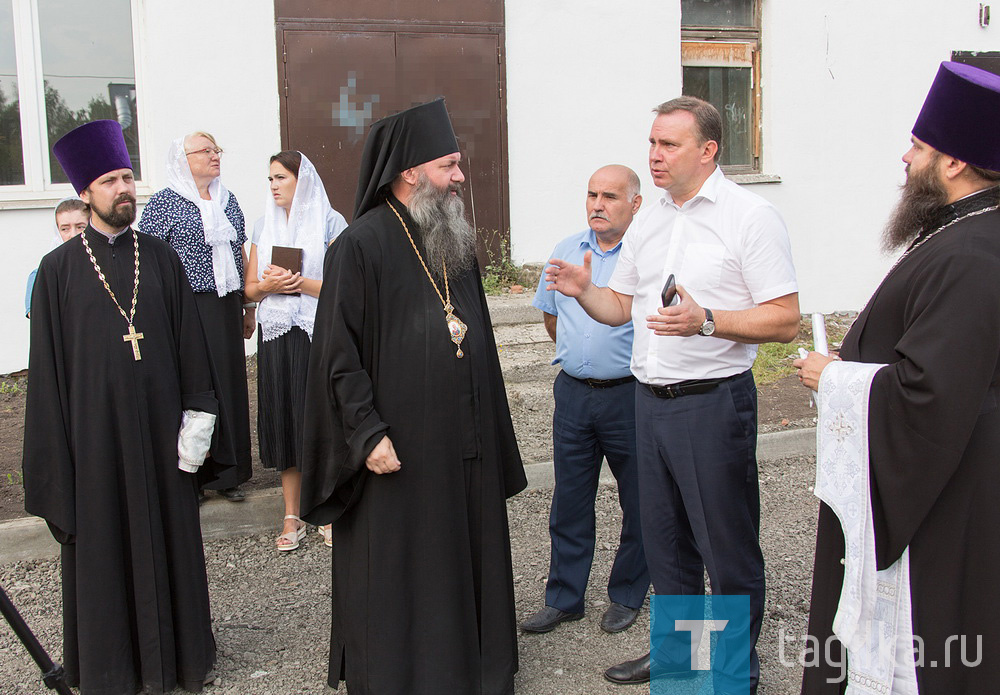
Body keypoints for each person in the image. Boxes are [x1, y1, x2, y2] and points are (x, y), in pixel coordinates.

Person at [546, 96, 799, 690]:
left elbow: (784, 318)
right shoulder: (652, 218)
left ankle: (735, 675)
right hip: (648, 403)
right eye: (652, 144)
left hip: (713, 403)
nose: (654, 157)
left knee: (725, 549)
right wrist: (585, 290)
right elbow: (618, 309)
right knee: (667, 547)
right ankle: (681, 664)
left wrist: (706, 319)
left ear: (708, 150)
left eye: (669, 145)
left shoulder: (750, 216)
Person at [299, 98, 527, 694]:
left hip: (461, 439)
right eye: (449, 165)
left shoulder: (452, 238)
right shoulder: (360, 246)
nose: (459, 176)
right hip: (397, 446)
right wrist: (367, 431)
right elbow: (336, 356)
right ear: (409, 172)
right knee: (402, 562)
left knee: (463, 550)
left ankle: (473, 669)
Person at [794, 61, 1000, 694]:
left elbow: (929, 393)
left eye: (918, 146)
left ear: (955, 162)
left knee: (934, 646)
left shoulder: (971, 253)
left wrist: (834, 378)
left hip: (946, 496)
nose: (905, 158)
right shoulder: (966, 234)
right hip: (959, 477)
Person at [22, 119, 226, 694]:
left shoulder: (159, 258)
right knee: (104, 548)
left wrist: (199, 416)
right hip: (96, 446)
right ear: (86, 193)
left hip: (162, 437)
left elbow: (192, 345)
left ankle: (183, 660)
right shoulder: (57, 273)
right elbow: (48, 379)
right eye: (110, 180)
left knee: (170, 538)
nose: (123, 189)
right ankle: (111, 667)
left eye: (127, 176)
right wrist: (58, 464)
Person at [522, 164, 649, 635]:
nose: (597, 204)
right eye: (592, 194)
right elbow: (551, 316)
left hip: (630, 397)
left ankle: (627, 593)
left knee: (641, 500)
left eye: (610, 196)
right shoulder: (566, 250)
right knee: (571, 499)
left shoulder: (647, 253)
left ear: (635, 204)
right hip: (574, 395)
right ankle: (564, 597)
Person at [139, 131, 253, 503]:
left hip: (224, 305)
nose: (214, 156)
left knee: (230, 384)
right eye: (205, 150)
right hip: (184, 309)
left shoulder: (227, 199)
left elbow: (240, 251)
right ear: (182, 159)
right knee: (196, 386)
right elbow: (149, 261)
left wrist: (247, 307)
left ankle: (230, 472)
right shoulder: (164, 203)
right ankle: (197, 470)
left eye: (216, 149)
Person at [244, 150, 347, 550]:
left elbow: (344, 286)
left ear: (302, 180)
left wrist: (300, 284)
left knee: (322, 417)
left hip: (317, 331)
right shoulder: (261, 225)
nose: (273, 186)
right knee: (286, 416)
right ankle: (291, 513)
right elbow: (249, 290)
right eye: (269, 179)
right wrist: (270, 287)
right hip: (276, 335)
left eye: (280, 178)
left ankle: (329, 506)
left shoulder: (331, 221)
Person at [24, 197, 89, 318]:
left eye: (80, 227)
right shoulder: (40, 275)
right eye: (65, 229)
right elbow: (39, 318)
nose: (73, 235)